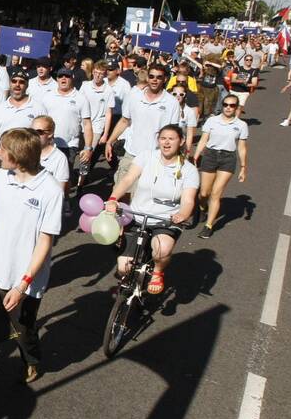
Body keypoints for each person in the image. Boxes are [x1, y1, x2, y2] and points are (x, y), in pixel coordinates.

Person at [0, 128, 62, 384]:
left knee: (23, 329)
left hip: (25, 277)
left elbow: (45, 241)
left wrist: (23, 284)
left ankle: (31, 360)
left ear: (17, 155)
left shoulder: (50, 190)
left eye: (2, 148)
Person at [105, 124, 199, 296]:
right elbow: (127, 180)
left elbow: (188, 200)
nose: (167, 143)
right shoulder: (146, 157)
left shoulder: (189, 170)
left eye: (171, 139)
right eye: (163, 138)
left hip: (165, 220)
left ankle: (157, 271)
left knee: (162, 250)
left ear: (182, 141)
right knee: (123, 267)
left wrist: (182, 215)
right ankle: (130, 282)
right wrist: (113, 199)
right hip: (138, 215)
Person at [105, 63, 181, 183]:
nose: (154, 80)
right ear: (147, 78)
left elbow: (174, 134)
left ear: (165, 79)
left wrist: (172, 159)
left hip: (155, 157)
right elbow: (124, 121)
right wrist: (109, 142)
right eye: (151, 76)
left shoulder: (172, 103)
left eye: (159, 77)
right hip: (131, 154)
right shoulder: (134, 96)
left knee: (142, 197)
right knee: (120, 194)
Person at [192, 94, 248, 240]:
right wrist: (196, 156)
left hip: (228, 158)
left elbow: (241, 147)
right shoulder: (212, 121)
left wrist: (243, 167)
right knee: (204, 193)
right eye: (226, 104)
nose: (228, 108)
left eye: (232, 105)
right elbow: (204, 139)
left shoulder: (241, 125)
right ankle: (202, 207)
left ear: (237, 108)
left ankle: (208, 226)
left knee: (216, 193)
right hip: (210, 155)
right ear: (222, 105)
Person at [40, 68, 93, 198]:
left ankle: (64, 200)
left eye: (67, 77)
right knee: (44, 173)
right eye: (60, 76)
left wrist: (88, 147)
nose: (63, 79)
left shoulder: (81, 98)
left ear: (72, 78)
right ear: (57, 79)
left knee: (65, 176)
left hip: (70, 145)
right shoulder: (47, 97)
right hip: (48, 144)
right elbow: (40, 121)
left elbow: (86, 124)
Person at [0, 69, 47, 159]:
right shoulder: (0, 108)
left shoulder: (38, 108)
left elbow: (44, 137)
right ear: (10, 84)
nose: (17, 85)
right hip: (1, 158)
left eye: (21, 82)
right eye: (14, 81)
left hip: (26, 159)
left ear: (27, 85)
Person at [79, 61, 114, 181]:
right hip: (82, 123)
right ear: (92, 72)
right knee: (77, 153)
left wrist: (105, 134)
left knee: (86, 155)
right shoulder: (85, 86)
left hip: (97, 127)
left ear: (104, 75)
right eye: (96, 73)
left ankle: (81, 183)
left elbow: (108, 113)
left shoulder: (109, 90)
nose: (97, 76)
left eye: (101, 74)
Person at [33, 115, 69, 193]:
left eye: (39, 132)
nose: (33, 135)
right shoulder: (25, 152)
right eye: (31, 131)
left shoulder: (60, 158)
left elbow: (59, 192)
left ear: (50, 134)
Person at [170, 85, 199, 156]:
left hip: (180, 145)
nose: (178, 96)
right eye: (174, 94)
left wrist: (188, 151)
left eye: (181, 94)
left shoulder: (189, 111)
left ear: (185, 96)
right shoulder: (165, 108)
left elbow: (189, 134)